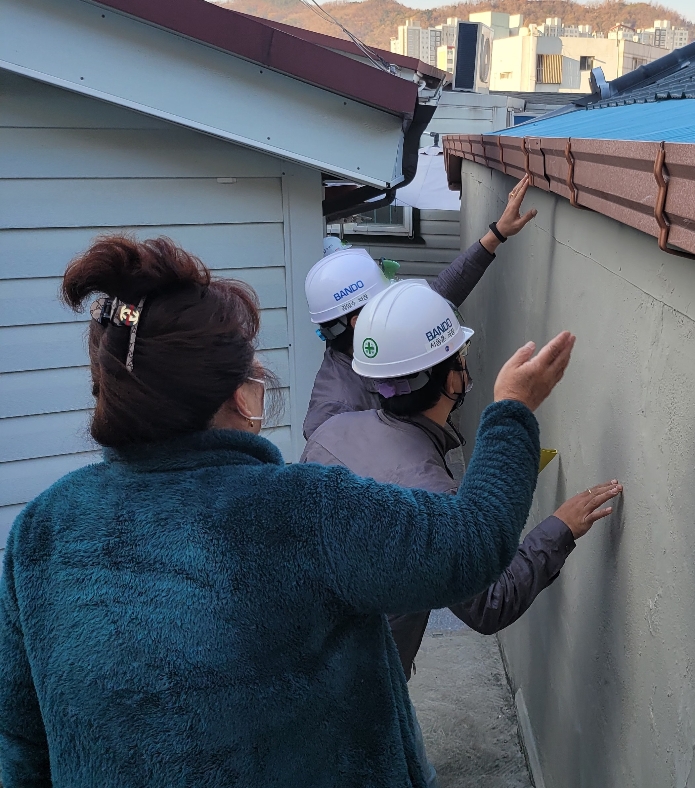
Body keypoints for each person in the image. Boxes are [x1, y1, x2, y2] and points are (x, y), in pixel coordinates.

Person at [0, 235, 576, 788]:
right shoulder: (300, 510)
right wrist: (512, 412)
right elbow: (470, 547)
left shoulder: (40, 532)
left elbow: (19, 741)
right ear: (239, 395)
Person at [301, 281, 622, 788]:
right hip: (358, 698)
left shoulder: (331, 431)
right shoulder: (427, 491)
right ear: (448, 377)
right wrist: (559, 527)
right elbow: (488, 602)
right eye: (461, 356)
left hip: (312, 669)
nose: (466, 366)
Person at [302, 174, 538, 440]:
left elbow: (439, 295)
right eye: (383, 300)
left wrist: (498, 233)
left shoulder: (379, 342)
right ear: (357, 321)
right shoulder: (334, 408)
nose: (392, 305)